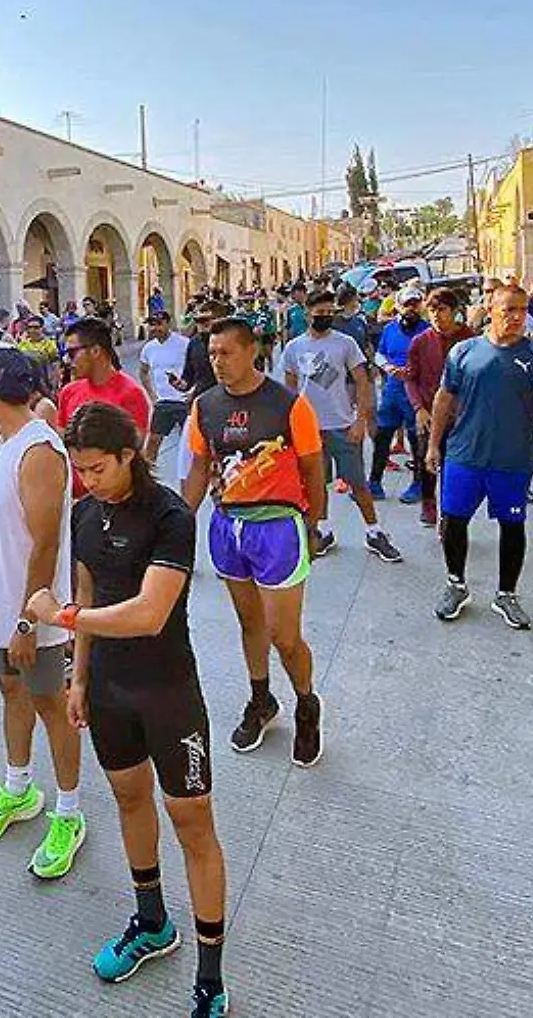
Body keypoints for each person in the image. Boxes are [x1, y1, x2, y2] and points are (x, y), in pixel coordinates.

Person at [29, 401, 230, 1017]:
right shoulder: (84, 513)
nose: (87, 480)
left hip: (168, 691)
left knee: (193, 823)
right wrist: (77, 676)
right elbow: (89, 590)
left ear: (128, 454)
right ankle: (151, 924)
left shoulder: (170, 515)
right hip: (109, 691)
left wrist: (59, 618)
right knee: (128, 800)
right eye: (79, 470)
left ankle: (211, 976)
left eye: (96, 469)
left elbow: (149, 614)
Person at [181, 316, 325, 766]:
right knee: (249, 625)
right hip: (227, 528)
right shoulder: (204, 406)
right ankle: (261, 699)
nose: (217, 361)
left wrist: (313, 524)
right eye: (211, 354)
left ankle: (306, 703)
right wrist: (177, 523)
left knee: (285, 637)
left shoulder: (289, 405)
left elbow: (313, 470)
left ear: (250, 351)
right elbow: (200, 469)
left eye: (225, 353)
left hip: (277, 528)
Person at [0, 346, 86, 879]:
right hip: (1, 607)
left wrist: (28, 621)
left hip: (32, 614)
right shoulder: (9, 438)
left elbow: (46, 545)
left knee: (51, 705)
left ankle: (69, 812)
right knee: (13, 693)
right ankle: (19, 790)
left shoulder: (39, 449)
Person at [425, 285, 533, 630]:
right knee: (454, 523)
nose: (517, 317)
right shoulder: (464, 351)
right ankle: (456, 585)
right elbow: (444, 399)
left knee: (512, 526)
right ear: (490, 309)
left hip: (512, 460)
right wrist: (433, 445)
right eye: (509, 310)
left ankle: (506, 594)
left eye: (522, 309)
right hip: (464, 456)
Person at [281, 289, 403, 562]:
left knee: (358, 482)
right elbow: (289, 391)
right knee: (316, 485)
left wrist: (361, 420)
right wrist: (290, 428)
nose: (324, 317)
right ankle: (322, 532)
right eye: (319, 313)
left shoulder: (345, 343)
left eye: (328, 313)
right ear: (307, 314)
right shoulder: (294, 348)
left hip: (343, 425)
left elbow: (362, 381)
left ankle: (374, 532)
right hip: (309, 430)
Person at [401, 289, 474, 528]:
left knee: (457, 467)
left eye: (441, 309)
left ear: (454, 311)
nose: (436, 315)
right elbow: (410, 378)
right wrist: (418, 408)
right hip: (429, 415)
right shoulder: (420, 341)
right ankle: (428, 504)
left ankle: (452, 511)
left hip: (462, 417)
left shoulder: (469, 340)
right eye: (432, 310)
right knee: (428, 462)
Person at [58, 317, 152, 494]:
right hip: (74, 502)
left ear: (95, 351)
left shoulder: (131, 394)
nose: (67, 361)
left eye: (72, 353)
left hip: (116, 500)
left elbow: (131, 453)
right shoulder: (68, 392)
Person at [369, 288, 430, 503]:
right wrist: (387, 367)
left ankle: (418, 484)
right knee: (382, 436)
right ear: (398, 306)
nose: (411, 309)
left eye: (415, 304)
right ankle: (375, 482)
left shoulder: (428, 331)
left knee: (417, 440)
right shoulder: (390, 330)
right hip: (392, 392)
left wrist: (414, 372)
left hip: (417, 395)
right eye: (407, 304)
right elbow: (379, 354)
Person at [137, 311, 192, 483]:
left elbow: (196, 369)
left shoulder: (184, 344)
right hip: (163, 402)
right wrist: (152, 395)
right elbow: (143, 371)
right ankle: (145, 480)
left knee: (191, 444)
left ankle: (191, 477)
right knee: (153, 441)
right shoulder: (149, 348)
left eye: (159, 324)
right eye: (152, 324)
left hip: (184, 401)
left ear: (168, 323)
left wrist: (192, 392)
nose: (155, 328)